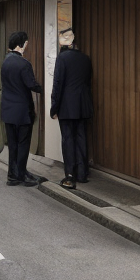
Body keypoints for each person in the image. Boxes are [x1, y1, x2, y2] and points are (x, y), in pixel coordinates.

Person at [50, 28, 94, 190]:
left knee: (68, 139)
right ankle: (82, 173)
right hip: (83, 104)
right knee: (81, 137)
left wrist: (53, 108)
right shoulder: (86, 59)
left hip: (67, 106)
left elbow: (58, 85)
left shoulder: (62, 58)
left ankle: (70, 175)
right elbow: (88, 83)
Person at [1, 31, 43, 187]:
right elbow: (31, 84)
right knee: (23, 143)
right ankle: (22, 174)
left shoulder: (5, 62)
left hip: (8, 110)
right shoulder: (24, 64)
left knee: (12, 144)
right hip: (22, 111)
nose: (27, 45)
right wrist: (42, 88)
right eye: (26, 43)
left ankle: (13, 175)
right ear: (21, 45)